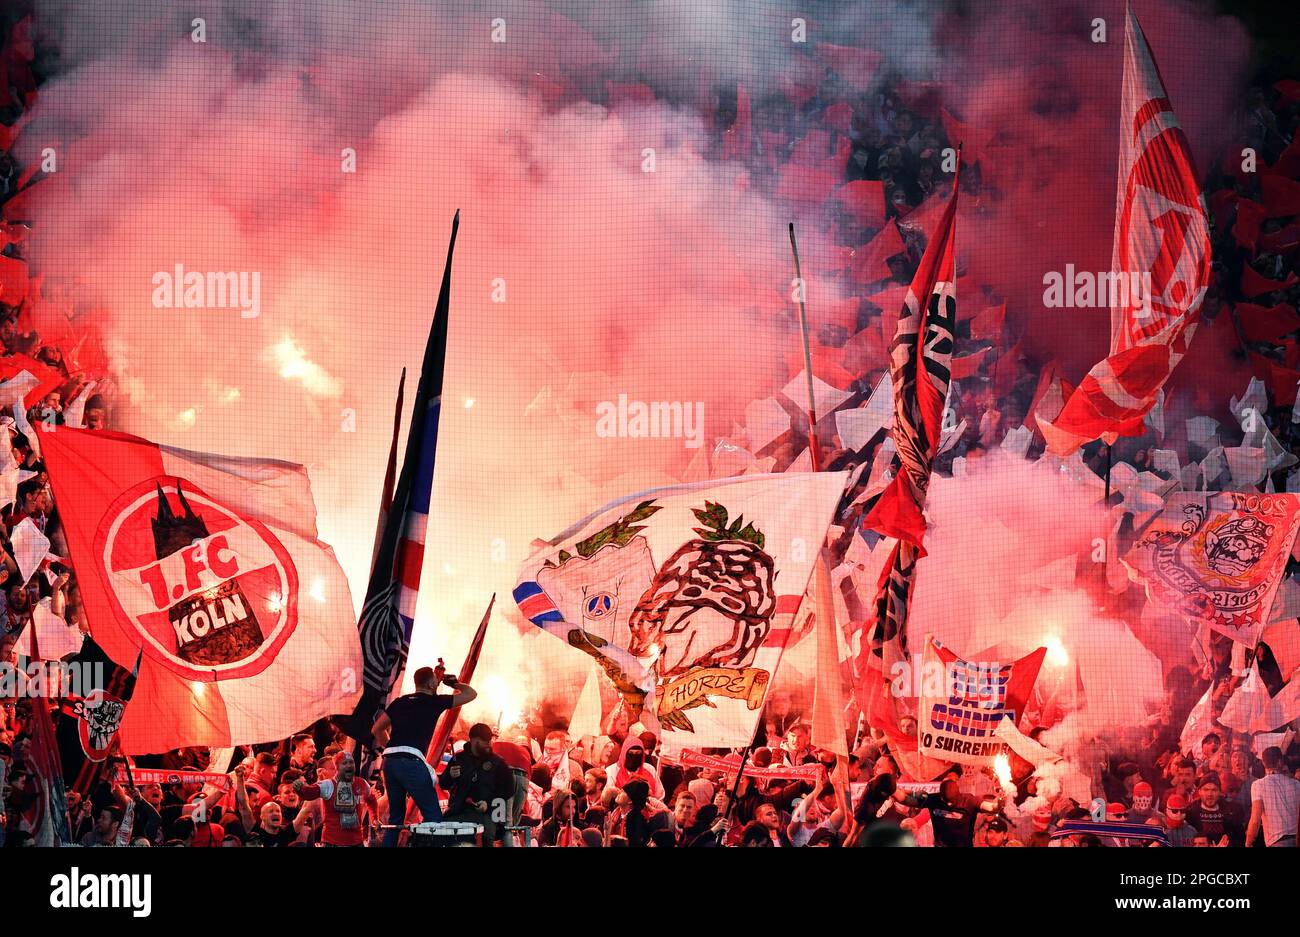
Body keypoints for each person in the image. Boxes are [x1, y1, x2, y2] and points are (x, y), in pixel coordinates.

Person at [371, 662, 476, 847]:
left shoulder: (400, 702)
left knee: (395, 819)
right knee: (433, 818)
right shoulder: (434, 702)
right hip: (412, 763)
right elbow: (471, 694)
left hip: (390, 762)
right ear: (431, 685)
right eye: (436, 681)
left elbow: (376, 729)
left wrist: (393, 747)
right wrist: (454, 684)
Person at [440, 722, 514, 845]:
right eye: (484, 741)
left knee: (486, 835)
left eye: (489, 740)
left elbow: (507, 790)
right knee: (441, 835)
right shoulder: (458, 759)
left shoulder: (498, 763)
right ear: (474, 740)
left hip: (486, 816)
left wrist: (488, 802)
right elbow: (443, 784)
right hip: (458, 813)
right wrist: (450, 776)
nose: (488, 744)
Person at [294, 750, 378, 847]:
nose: (349, 766)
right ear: (337, 766)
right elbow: (308, 793)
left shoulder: (362, 784)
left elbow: (371, 800)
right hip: (332, 842)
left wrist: (375, 818)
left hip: (357, 842)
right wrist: (299, 788)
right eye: (345, 763)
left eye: (351, 762)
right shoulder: (328, 785)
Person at [1246, 746, 1300, 847]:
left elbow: (1255, 821)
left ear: (1263, 763)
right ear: (1280, 761)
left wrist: (1248, 843)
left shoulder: (1258, 785)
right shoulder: (1296, 784)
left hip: (1277, 842)